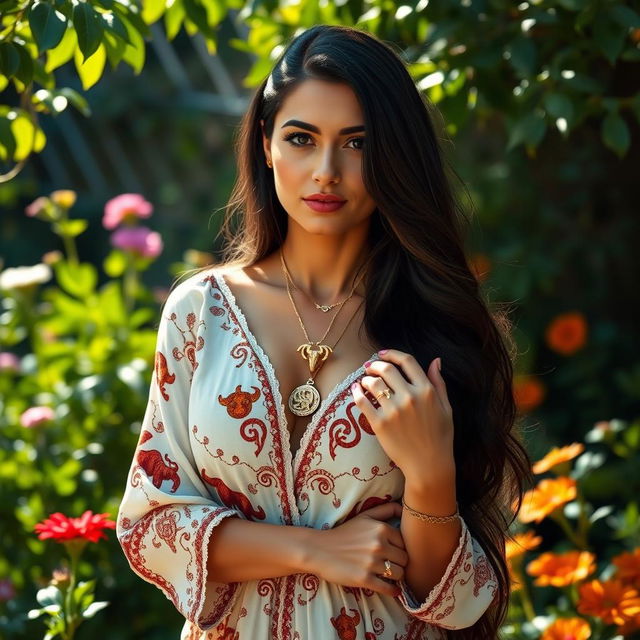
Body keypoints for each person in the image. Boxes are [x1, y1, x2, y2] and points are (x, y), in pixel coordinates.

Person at [116, 24, 533, 640]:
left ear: (394, 154)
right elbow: (150, 529)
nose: (326, 172)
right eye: (302, 138)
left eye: (358, 143)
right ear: (265, 143)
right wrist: (316, 551)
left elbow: (461, 603)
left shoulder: (436, 327)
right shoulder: (200, 312)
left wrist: (430, 477)